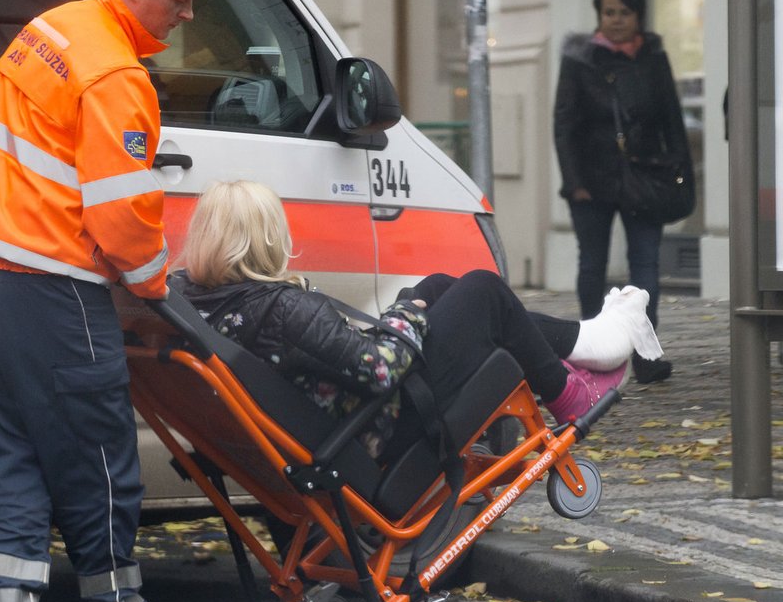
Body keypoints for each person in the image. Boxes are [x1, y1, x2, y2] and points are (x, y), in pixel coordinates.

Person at [0, 0, 214, 602]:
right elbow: (124, 217)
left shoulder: (52, 30)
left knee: (17, 457)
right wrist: (158, 287)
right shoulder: (116, 75)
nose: (187, 14)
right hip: (53, 288)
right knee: (99, 458)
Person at [175, 181, 662, 466]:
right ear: (266, 241)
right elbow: (380, 369)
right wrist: (405, 315)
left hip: (342, 420)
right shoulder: (281, 308)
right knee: (483, 290)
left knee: (434, 286)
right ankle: (569, 390)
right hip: (384, 426)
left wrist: (410, 306)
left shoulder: (206, 304)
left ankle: (580, 344)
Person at [553, 0, 693, 384]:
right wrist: (574, 181)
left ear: (639, 16)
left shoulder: (653, 56)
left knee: (645, 266)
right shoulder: (580, 59)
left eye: (624, 13)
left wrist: (678, 170)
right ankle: (590, 352)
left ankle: (646, 357)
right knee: (592, 265)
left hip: (644, 177)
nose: (616, 21)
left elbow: (671, 118)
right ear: (599, 16)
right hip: (590, 181)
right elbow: (564, 124)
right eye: (609, 13)